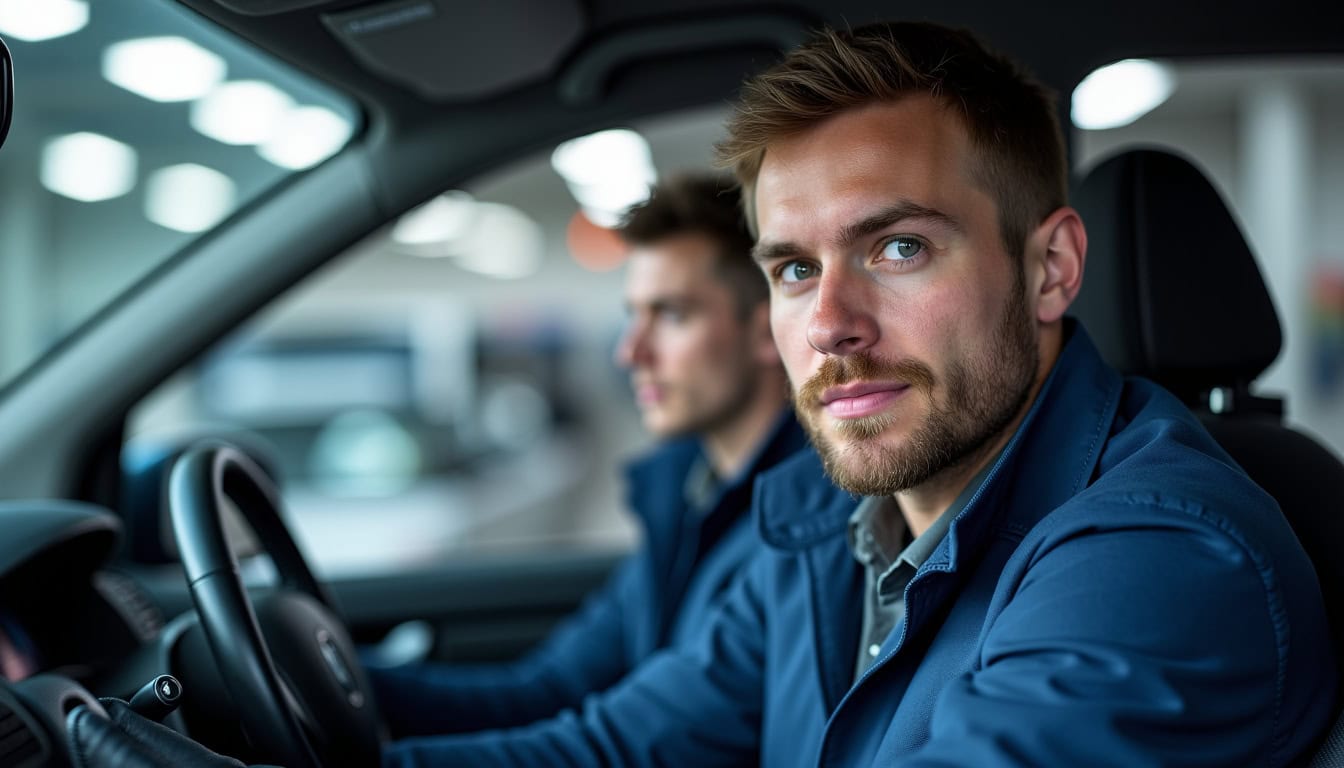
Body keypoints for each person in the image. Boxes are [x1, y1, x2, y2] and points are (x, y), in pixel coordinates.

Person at [74, 20, 1335, 768]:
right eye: (795, 267)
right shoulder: (835, 525)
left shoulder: (1164, 560)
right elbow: (618, 745)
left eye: (898, 248)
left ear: (1049, 267)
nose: (830, 321)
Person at [366, 172, 803, 737]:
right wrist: (337, 674)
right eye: (633, 315)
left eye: (672, 315)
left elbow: (629, 748)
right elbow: (545, 691)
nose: (630, 352)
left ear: (767, 324)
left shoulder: (805, 523)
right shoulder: (684, 498)